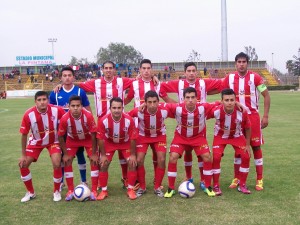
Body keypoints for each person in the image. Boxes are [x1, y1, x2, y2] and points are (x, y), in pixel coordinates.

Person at [160, 62, 222, 189]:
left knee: (201, 153)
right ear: (184, 72)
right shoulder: (179, 83)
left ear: (197, 72)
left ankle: (203, 179)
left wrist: (209, 93)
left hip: (199, 122)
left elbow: (222, 86)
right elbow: (161, 90)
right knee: (187, 151)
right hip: (183, 121)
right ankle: (188, 176)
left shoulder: (204, 83)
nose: (191, 73)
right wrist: (175, 104)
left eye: (194, 70)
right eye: (189, 71)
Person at [222, 52, 270, 191]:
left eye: (244, 62)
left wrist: (265, 116)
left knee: (255, 147)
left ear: (247, 63)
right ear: (235, 63)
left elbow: (266, 95)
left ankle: (259, 179)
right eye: (239, 62)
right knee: (238, 148)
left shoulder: (255, 77)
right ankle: (237, 178)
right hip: (236, 118)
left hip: (252, 117)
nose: (241, 64)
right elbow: (222, 94)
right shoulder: (229, 78)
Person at [164, 87, 217, 198]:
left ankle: (208, 186)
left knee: (207, 156)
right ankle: (171, 188)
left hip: (198, 137)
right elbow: (160, 105)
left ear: (197, 98)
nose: (190, 100)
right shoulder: (177, 108)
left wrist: (237, 103)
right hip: (181, 137)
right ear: (183, 99)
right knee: (173, 157)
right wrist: (145, 105)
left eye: (193, 97)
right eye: (187, 97)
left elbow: (220, 103)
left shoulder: (204, 107)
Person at [19, 91, 65, 202]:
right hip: (36, 141)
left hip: (53, 141)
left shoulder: (57, 110)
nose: (42, 102)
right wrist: (23, 155)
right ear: (35, 102)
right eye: (39, 100)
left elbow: (67, 120)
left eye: (44, 99)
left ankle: (56, 191)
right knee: (23, 165)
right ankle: (31, 192)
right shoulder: (28, 114)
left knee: (57, 163)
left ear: (48, 100)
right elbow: (24, 134)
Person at [49, 66, 91, 190]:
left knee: (80, 154)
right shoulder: (55, 93)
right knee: (63, 156)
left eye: (69, 75)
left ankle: (84, 181)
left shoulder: (79, 92)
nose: (67, 78)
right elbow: (50, 112)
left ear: (73, 77)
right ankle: (61, 181)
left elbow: (87, 109)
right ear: (61, 77)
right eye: (64, 76)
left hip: (78, 130)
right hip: (61, 131)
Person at [208, 88, 251, 195]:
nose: (229, 102)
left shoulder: (242, 111)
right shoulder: (216, 111)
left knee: (246, 156)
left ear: (235, 100)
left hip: (236, 136)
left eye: (232, 100)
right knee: (216, 157)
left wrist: (248, 144)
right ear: (222, 101)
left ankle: (242, 185)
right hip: (220, 136)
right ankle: (216, 186)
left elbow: (248, 127)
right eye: (226, 100)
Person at [128, 90, 169, 197]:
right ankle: (142, 187)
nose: (152, 105)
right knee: (139, 160)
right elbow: (126, 116)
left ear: (158, 102)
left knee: (162, 159)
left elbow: (180, 108)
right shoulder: (139, 111)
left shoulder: (165, 109)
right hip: (143, 136)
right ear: (145, 102)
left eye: (154, 102)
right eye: (149, 102)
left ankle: (157, 187)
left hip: (159, 136)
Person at [58, 96, 99, 201]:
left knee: (94, 160)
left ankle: (94, 190)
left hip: (88, 139)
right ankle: (70, 190)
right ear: (68, 106)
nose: (75, 108)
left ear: (81, 106)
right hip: (72, 140)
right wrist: (65, 154)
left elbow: (94, 135)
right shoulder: (64, 118)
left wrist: (94, 153)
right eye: (73, 106)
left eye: (78, 106)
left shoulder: (88, 116)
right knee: (67, 161)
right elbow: (60, 136)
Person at [97, 97, 138, 200]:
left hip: (125, 143)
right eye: (114, 108)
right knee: (103, 164)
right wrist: (103, 155)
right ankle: (104, 191)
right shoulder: (103, 120)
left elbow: (133, 138)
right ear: (110, 108)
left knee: (132, 163)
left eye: (119, 108)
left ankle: (130, 189)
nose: (116, 110)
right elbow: (100, 139)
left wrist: (133, 155)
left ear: (122, 108)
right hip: (109, 143)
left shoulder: (129, 120)